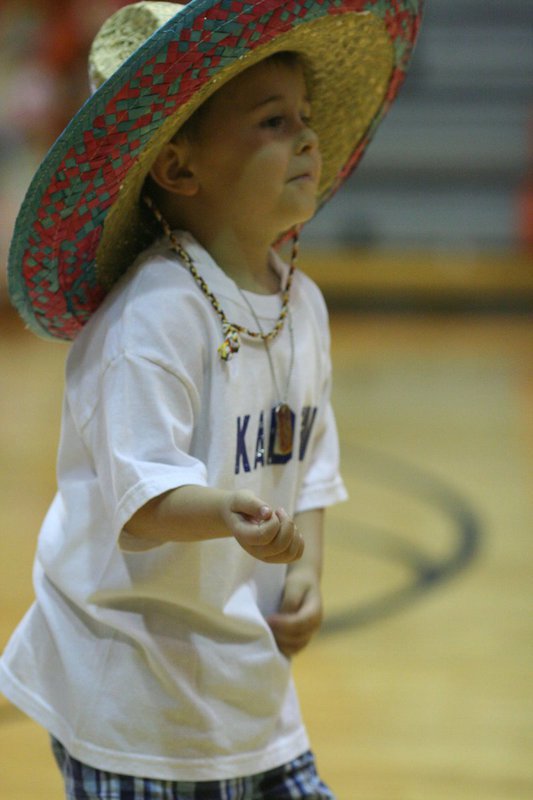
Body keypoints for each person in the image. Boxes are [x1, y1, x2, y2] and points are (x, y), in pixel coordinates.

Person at [1, 2, 423, 798]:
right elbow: (142, 499)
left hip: (239, 685)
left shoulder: (302, 305)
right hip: (126, 692)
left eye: (304, 117)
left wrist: (307, 573)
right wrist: (227, 509)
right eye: (272, 121)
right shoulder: (153, 315)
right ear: (178, 168)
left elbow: (311, 468)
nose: (306, 138)